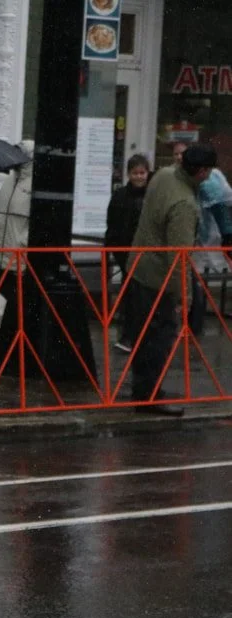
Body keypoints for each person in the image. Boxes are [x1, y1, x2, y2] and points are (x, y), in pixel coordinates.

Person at [127, 143, 215, 416]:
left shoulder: (163, 175)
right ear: (201, 172)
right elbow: (179, 257)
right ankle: (149, 397)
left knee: (143, 335)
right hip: (158, 278)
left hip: (138, 266)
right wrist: (184, 296)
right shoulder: (184, 204)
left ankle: (143, 392)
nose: (210, 176)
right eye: (209, 171)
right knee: (159, 338)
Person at [0, 141, 33, 375]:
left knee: (17, 301)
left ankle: (14, 352)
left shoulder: (32, 185)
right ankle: (11, 350)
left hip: (18, 254)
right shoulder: (9, 181)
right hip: (3, 251)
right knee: (5, 289)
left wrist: (24, 246)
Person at [104, 154, 152, 353]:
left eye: (142, 173)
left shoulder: (152, 195)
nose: (139, 177)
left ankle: (140, 337)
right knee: (131, 297)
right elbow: (113, 222)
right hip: (126, 252)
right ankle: (129, 336)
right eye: (135, 173)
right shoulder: (120, 195)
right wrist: (113, 247)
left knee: (144, 297)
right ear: (128, 174)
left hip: (146, 254)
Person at [189, 165, 232, 335]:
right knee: (196, 280)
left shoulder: (212, 180)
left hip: (207, 239)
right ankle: (194, 324)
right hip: (198, 240)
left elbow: (222, 214)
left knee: (197, 281)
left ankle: (195, 325)